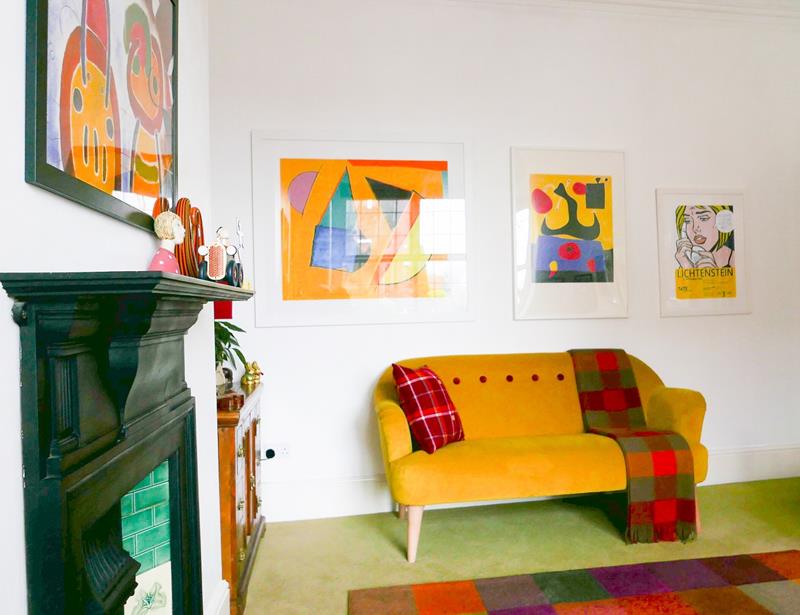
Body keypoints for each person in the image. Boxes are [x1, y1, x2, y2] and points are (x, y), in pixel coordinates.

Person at [674, 205, 735, 270]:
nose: (694, 228)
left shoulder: (735, 260)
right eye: (687, 221)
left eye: (703, 218)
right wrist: (689, 268)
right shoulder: (684, 263)